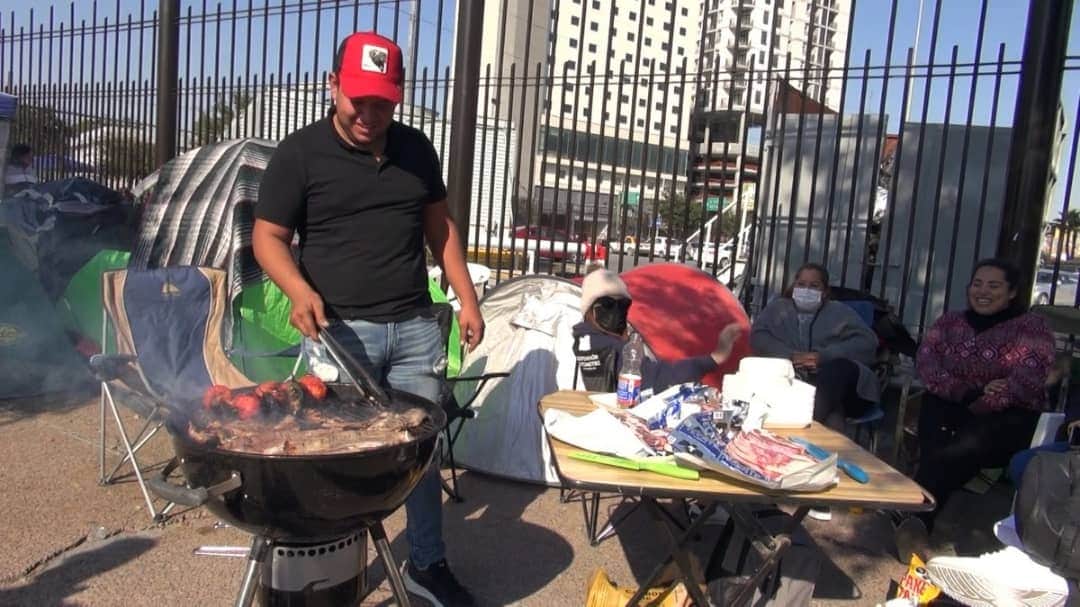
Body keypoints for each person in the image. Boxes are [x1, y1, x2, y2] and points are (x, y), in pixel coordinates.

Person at [252, 32, 482, 607]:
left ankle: (427, 564)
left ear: (398, 96)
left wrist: (467, 297)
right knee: (335, 455)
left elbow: (440, 229)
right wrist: (299, 289)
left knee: (419, 454)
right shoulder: (301, 153)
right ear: (334, 86)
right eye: (358, 99)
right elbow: (268, 237)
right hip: (339, 337)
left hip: (414, 331)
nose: (368, 113)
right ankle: (334, 574)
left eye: (382, 101)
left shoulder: (417, 150)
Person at [894, 258, 1056, 563]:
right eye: (977, 284)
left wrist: (981, 401)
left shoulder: (1031, 329)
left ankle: (914, 514)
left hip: (1007, 416)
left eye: (994, 286)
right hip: (953, 404)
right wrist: (970, 392)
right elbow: (928, 364)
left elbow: (1025, 381)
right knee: (936, 414)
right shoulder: (950, 323)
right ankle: (917, 517)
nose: (983, 291)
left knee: (964, 441)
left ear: (1011, 293)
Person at [749, 262, 880, 429]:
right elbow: (758, 337)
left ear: (824, 291)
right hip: (791, 383)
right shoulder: (778, 309)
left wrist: (823, 357)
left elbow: (867, 343)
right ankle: (819, 429)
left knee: (838, 369)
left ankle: (805, 426)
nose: (806, 290)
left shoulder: (840, 312)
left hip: (842, 387)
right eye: (801, 284)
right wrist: (791, 356)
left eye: (814, 286)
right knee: (833, 417)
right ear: (794, 286)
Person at [571, 268, 743, 393]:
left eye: (623, 305)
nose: (616, 311)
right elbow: (657, 377)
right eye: (608, 304)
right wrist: (714, 358)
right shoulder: (608, 347)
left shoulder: (582, 338)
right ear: (590, 310)